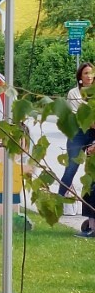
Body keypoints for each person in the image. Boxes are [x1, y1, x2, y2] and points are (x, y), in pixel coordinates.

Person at [59, 62, 95, 198]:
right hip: (78, 134)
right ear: (80, 76)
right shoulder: (73, 93)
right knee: (71, 169)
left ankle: (90, 206)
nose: (89, 76)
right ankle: (59, 199)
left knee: (92, 171)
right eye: (86, 73)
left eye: (91, 73)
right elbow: (79, 118)